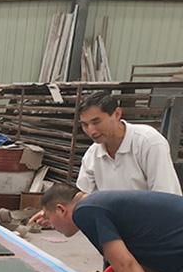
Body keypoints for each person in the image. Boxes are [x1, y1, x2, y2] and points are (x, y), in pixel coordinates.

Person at [41, 183, 183, 272]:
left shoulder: (84, 211)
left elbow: (125, 264)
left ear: (60, 209)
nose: (50, 225)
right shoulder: (101, 204)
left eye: (47, 216)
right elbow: (145, 267)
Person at [31, 91, 181, 226]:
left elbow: (165, 198)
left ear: (117, 114)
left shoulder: (148, 142)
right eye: (85, 125)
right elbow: (82, 201)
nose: (91, 131)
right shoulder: (92, 155)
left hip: (157, 226)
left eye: (96, 122)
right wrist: (54, 215)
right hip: (119, 227)